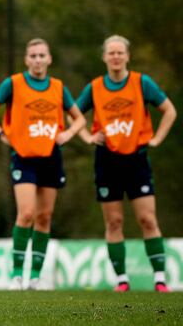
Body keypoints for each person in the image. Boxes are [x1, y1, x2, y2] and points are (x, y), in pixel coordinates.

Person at [0, 38, 86, 291]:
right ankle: (17, 275)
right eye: (33, 56)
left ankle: (35, 277)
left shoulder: (58, 87)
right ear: (27, 60)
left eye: (42, 56)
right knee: (26, 214)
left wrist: (68, 135)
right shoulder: (13, 84)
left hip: (51, 157)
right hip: (24, 157)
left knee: (44, 217)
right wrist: (0, 134)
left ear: (49, 59)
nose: (38, 60)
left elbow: (78, 119)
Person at [76, 35, 176, 293]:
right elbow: (73, 114)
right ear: (104, 57)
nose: (116, 57)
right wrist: (87, 135)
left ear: (128, 56)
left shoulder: (142, 83)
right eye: (111, 53)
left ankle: (160, 280)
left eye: (120, 53)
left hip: (137, 159)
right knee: (114, 222)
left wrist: (156, 139)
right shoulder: (95, 87)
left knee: (147, 219)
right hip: (107, 160)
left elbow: (170, 111)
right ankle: (122, 280)